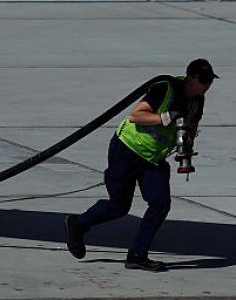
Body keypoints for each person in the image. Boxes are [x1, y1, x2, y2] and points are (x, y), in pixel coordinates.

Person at [64, 58, 218, 271]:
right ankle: (78, 224)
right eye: (204, 81)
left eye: (210, 82)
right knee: (119, 207)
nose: (207, 86)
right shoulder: (165, 88)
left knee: (160, 203)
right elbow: (136, 116)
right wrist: (166, 118)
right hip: (127, 150)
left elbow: (191, 126)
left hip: (153, 159)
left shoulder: (198, 100)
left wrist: (186, 146)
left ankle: (137, 255)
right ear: (191, 77)